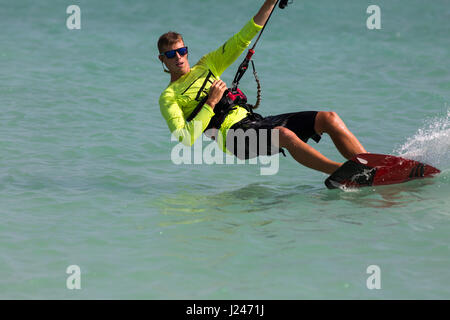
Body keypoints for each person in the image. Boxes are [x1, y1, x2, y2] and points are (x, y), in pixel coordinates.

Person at [158, 0, 367, 175]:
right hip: (232, 138)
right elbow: (185, 138)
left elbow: (243, 38)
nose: (178, 57)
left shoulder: (207, 64)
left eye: (182, 51)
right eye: (170, 54)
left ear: (186, 51)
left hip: (255, 122)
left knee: (327, 118)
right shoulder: (169, 96)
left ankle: (370, 165)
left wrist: (271, 1)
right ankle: (345, 172)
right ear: (162, 59)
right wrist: (211, 102)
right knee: (284, 135)